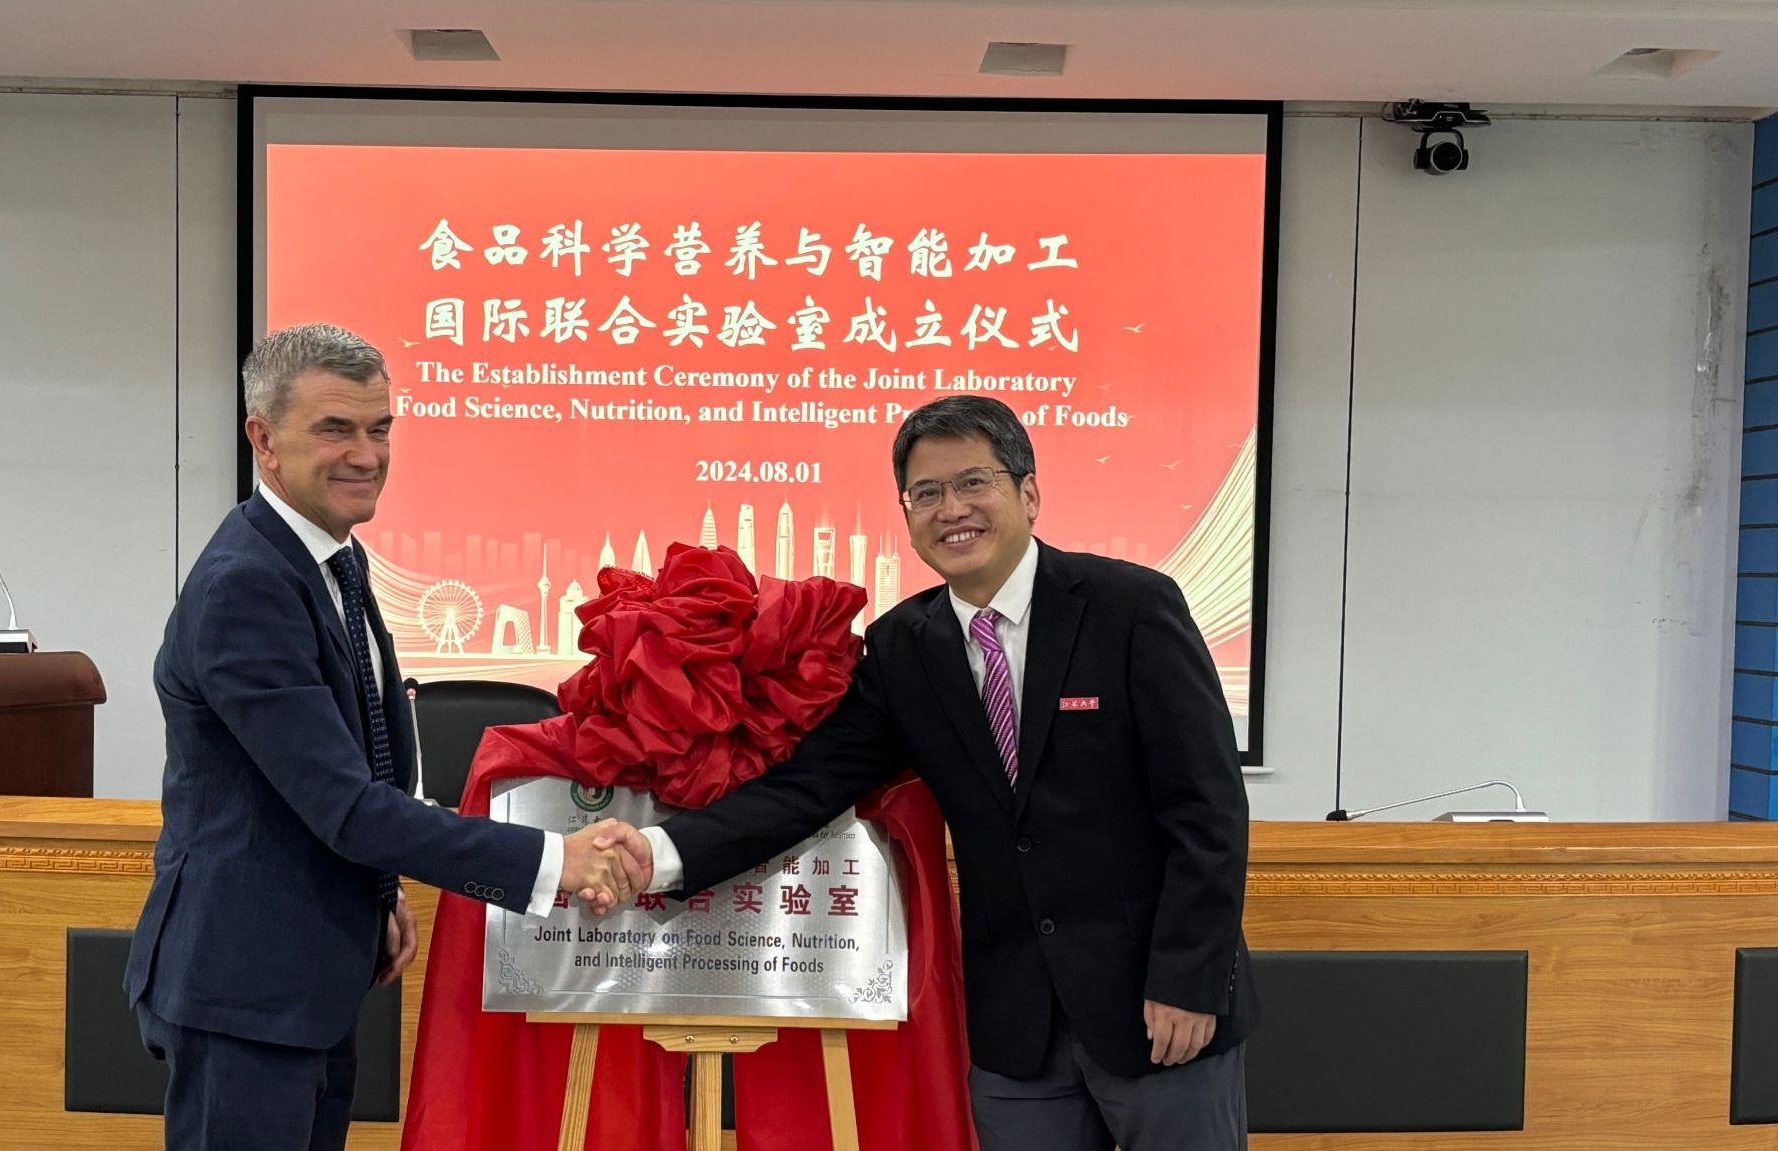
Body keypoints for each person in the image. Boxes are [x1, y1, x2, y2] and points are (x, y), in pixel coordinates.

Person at [613, 395, 1258, 1150]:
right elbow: (809, 787)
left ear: (1029, 493)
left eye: (973, 482)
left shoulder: (1130, 607)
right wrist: (660, 852)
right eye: (926, 493)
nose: (951, 509)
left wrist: (1186, 979)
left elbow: (1207, 810)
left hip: (1158, 1010)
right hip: (1016, 1030)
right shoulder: (902, 647)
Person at [123, 322, 642, 1151]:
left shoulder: (335, 559)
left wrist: (379, 890)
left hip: (307, 980)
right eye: (336, 429)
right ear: (263, 438)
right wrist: (556, 860)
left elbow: (355, 763)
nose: (366, 455)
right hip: (243, 988)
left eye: (380, 428)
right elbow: (346, 805)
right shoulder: (246, 585)